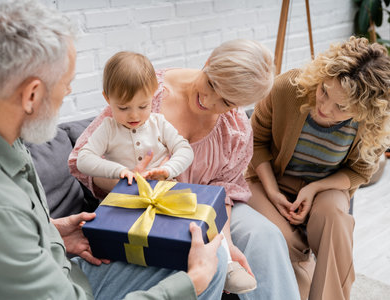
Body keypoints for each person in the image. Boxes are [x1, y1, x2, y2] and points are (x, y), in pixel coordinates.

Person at [0, 1, 228, 299]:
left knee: (208, 253)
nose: (68, 93)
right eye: (66, 85)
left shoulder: (5, 139)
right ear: (31, 94)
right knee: (205, 268)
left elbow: (13, 238)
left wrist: (51, 232)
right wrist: (192, 283)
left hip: (65, 268)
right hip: (70, 288)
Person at [69, 39, 301, 299]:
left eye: (226, 102)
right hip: (145, 203)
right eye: (212, 83)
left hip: (208, 207)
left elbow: (223, 192)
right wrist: (131, 180)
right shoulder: (149, 93)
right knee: (192, 250)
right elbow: (83, 162)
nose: (209, 100)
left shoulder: (235, 129)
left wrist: (226, 243)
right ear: (208, 61)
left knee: (264, 235)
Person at [245, 36, 390, 300]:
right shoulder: (288, 87)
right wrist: (273, 192)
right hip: (268, 181)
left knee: (335, 219)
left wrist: (315, 188)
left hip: (326, 187)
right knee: (280, 239)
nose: (324, 108)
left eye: (341, 107)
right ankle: (304, 268)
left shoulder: (372, 126)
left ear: (366, 111)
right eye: (324, 91)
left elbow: (360, 173)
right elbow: (255, 139)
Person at [77, 51, 194, 182]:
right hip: (126, 195)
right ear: (107, 98)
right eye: (123, 108)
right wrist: (119, 171)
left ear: (153, 94)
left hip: (163, 189)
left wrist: (167, 169)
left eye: (143, 106)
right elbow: (83, 159)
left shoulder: (159, 123)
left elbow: (185, 150)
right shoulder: (108, 129)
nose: (134, 115)